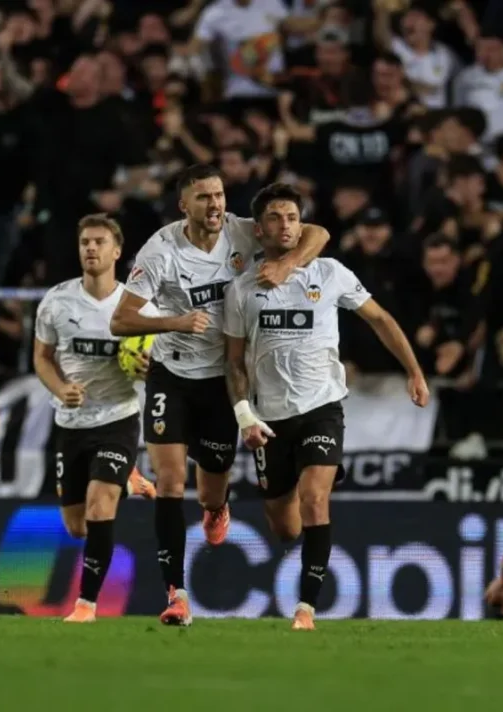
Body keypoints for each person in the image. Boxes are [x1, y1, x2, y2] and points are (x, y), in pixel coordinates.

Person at [110, 164, 330, 626]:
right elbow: (121, 319)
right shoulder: (160, 251)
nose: (214, 204)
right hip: (172, 374)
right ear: (183, 206)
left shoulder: (242, 232)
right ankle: (176, 595)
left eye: (219, 195)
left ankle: (216, 508)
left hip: (223, 381)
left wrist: (287, 264)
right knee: (171, 483)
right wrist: (174, 322)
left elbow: (318, 233)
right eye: (203, 197)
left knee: (210, 489)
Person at [223, 182, 430, 630]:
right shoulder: (241, 289)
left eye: (292, 218)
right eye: (275, 218)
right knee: (285, 527)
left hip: (322, 407)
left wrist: (414, 370)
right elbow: (234, 362)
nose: (285, 225)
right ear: (258, 230)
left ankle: (306, 609)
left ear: (302, 225)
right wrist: (243, 414)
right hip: (269, 418)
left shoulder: (330, 272)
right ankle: (308, 478)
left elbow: (380, 319)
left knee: (315, 499)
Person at [32, 214, 157, 623]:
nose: (90, 248)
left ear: (117, 251)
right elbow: (42, 357)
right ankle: (130, 482)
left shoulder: (138, 307)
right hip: (71, 422)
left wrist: (150, 369)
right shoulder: (57, 301)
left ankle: (85, 604)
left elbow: (164, 361)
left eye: (99, 241)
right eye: (85, 241)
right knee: (76, 525)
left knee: (101, 506)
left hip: (118, 418)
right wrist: (59, 388)